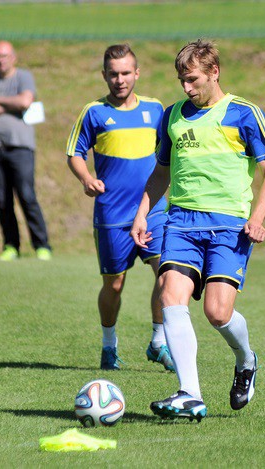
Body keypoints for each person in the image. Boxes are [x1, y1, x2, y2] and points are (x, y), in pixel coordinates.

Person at [131, 40, 265, 421]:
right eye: (182, 80)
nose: (186, 87)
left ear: (214, 72)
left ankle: (246, 360)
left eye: (192, 79)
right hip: (181, 222)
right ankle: (189, 394)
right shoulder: (172, 116)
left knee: (217, 312)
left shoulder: (245, 113)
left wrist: (258, 217)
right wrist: (142, 213)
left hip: (229, 225)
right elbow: (161, 172)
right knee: (170, 295)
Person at [66, 44, 174, 371]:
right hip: (112, 214)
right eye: (113, 74)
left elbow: (167, 154)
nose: (120, 79)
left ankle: (158, 341)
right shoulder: (94, 113)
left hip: (153, 210)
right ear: (104, 76)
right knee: (114, 284)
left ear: (137, 73)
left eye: (126, 72)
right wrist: (86, 178)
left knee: (167, 273)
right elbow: (74, 153)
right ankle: (108, 344)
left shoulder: (156, 110)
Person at [0, 40, 52, 261]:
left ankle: (42, 245)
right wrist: (13, 104)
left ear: (14, 57)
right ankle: (11, 246)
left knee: (27, 196)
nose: (1, 60)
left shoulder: (23, 77)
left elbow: (25, 101)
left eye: (5, 55)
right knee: (3, 201)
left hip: (21, 148)